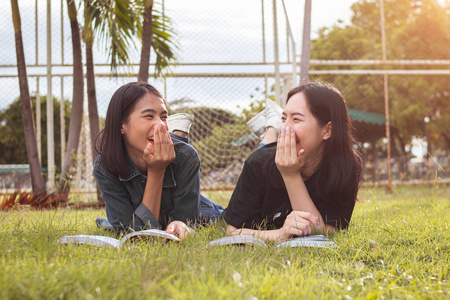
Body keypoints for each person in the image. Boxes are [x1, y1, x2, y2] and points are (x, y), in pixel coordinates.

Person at [223, 82, 363, 241]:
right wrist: (280, 234)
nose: (284, 128)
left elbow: (327, 233)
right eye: (283, 119)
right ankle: (270, 130)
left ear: (327, 130)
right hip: (228, 205)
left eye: (296, 119)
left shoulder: (345, 166)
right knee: (209, 212)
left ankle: (270, 131)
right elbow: (233, 231)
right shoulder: (258, 163)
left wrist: (291, 175)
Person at [94, 82, 222, 237]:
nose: (161, 125)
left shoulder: (186, 157)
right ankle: (178, 133)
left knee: (226, 218)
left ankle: (178, 135)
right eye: (149, 116)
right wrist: (156, 171)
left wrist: (180, 224)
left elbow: (185, 223)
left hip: (204, 212)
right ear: (122, 125)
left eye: (164, 117)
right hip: (149, 214)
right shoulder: (105, 166)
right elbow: (132, 234)